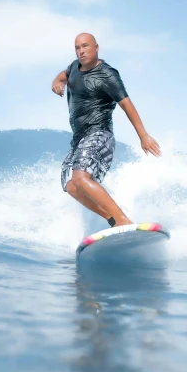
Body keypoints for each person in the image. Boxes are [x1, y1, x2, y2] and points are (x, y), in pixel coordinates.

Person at [51, 33, 161, 227]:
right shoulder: (74, 68)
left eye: (85, 46)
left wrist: (143, 136)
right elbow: (64, 75)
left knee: (81, 177)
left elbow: (127, 105)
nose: (81, 51)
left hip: (100, 133)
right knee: (71, 185)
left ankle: (123, 220)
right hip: (79, 138)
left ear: (96, 47)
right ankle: (113, 220)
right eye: (77, 48)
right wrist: (57, 82)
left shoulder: (107, 74)